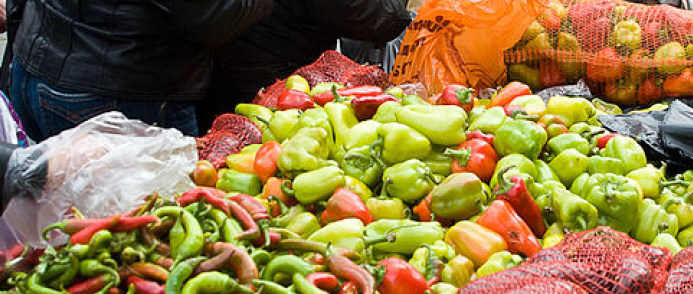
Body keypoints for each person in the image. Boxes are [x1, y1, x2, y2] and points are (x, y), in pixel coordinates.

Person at [4, 0, 274, 142]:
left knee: (50, 220)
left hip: (38, 60)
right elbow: (215, 17)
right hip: (119, 92)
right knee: (146, 228)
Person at [196, 0, 412, 131]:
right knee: (257, 136)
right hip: (270, 63)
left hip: (233, 53)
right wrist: (395, 11)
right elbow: (361, 14)